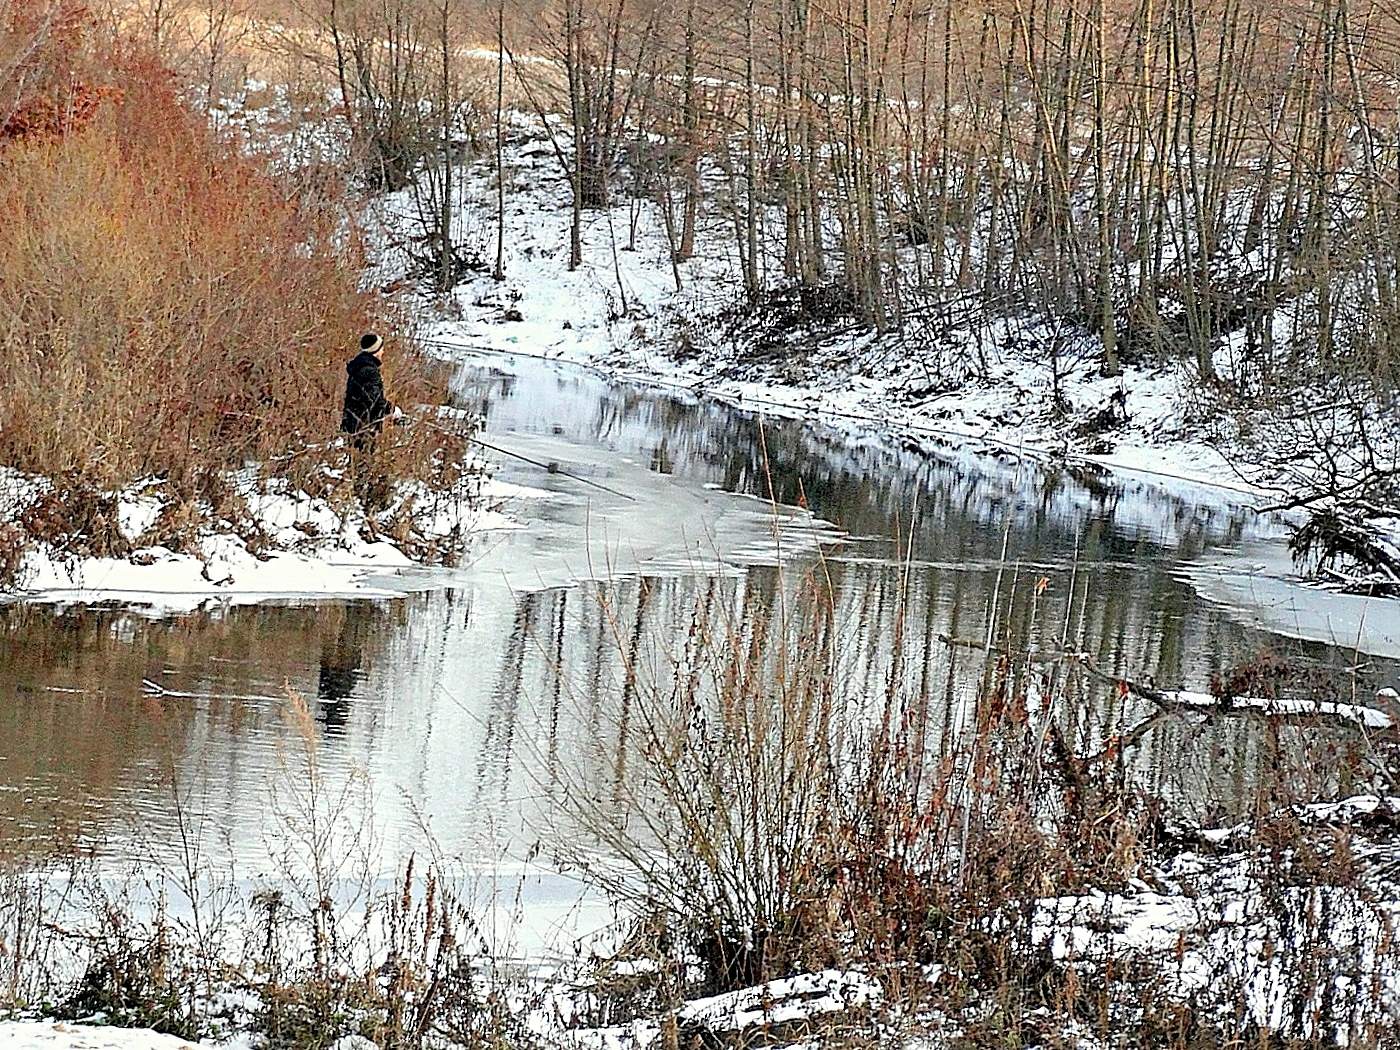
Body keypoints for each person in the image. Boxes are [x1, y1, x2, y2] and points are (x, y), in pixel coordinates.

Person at [341, 332, 396, 447]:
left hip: (353, 424)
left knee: (355, 460)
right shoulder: (369, 371)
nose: (383, 352)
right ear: (375, 351)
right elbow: (373, 399)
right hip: (364, 427)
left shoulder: (358, 367)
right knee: (363, 461)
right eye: (381, 349)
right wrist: (392, 410)